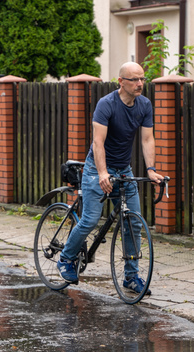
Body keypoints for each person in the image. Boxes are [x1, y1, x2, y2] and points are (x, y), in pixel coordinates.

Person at [57, 61, 165, 294]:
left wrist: (151, 169)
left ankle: (131, 276)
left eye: (142, 79)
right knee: (90, 220)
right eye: (134, 79)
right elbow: (98, 142)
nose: (140, 84)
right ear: (121, 82)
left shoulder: (144, 105)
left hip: (123, 169)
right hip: (98, 168)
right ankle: (66, 258)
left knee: (133, 221)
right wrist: (103, 172)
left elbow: (147, 139)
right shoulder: (106, 104)